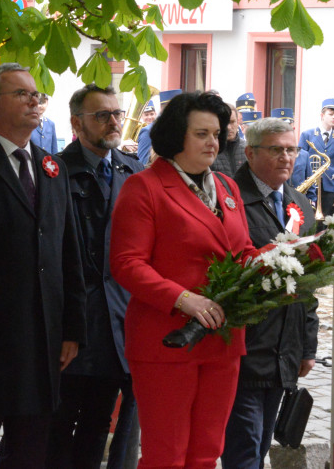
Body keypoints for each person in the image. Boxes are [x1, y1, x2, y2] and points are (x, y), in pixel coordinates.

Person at [110, 91, 260, 468]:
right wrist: (184, 299)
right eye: (201, 134)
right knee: (167, 454)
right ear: (176, 136)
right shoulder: (144, 187)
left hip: (223, 338)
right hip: (167, 337)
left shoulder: (227, 188)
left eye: (216, 133)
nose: (213, 142)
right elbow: (127, 263)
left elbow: (241, 253)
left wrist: (291, 256)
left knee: (207, 451)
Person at [0, 63, 86, 469]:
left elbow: (68, 250)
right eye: (22, 94)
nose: (35, 100)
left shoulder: (52, 166)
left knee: (31, 447)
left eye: (37, 94)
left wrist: (72, 327)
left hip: (43, 334)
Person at [47, 85, 144, 469]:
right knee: (57, 424)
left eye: (116, 113)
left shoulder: (133, 171)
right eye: (102, 115)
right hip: (71, 323)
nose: (114, 121)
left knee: (98, 423)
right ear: (76, 123)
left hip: (117, 322)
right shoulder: (53, 170)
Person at [222, 117, 318, 469]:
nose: (286, 157)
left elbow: (309, 281)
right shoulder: (229, 198)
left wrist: (307, 347)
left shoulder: (300, 205)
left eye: (291, 149)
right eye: (276, 150)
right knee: (244, 446)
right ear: (250, 153)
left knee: (260, 446)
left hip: (284, 348)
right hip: (244, 345)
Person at [299, 98, 334, 216]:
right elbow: (300, 163)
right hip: (311, 188)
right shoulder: (307, 135)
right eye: (331, 114)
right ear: (322, 115)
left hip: (330, 189)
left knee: (329, 226)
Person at [212, 106, 246, 177]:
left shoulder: (247, 149)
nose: (228, 127)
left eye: (232, 122)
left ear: (238, 122)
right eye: (225, 123)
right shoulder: (211, 149)